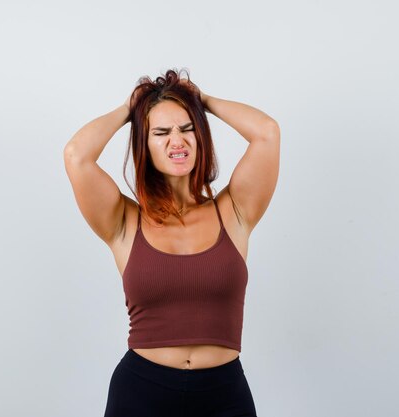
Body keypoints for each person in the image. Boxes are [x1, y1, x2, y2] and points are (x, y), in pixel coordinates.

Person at [63, 69, 280, 417]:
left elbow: (267, 133)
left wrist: (202, 101)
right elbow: (76, 155)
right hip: (141, 392)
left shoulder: (234, 211)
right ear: (145, 146)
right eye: (161, 132)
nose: (176, 141)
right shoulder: (124, 221)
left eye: (187, 129)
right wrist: (129, 107)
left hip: (223, 394)